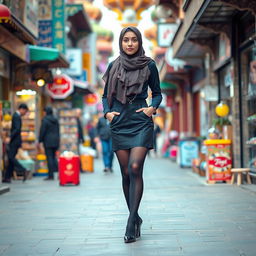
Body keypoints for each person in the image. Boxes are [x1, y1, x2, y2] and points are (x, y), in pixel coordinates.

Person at [102, 26, 162, 243]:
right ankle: (136, 217)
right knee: (126, 174)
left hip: (140, 120)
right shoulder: (113, 66)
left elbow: (157, 93)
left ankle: (130, 222)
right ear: (121, 42)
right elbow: (104, 96)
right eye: (126, 40)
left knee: (135, 167)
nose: (129, 44)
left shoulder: (149, 65)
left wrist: (151, 108)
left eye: (133, 40)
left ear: (139, 42)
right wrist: (107, 113)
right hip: (119, 122)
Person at [3, 103, 29, 183]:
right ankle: (7, 177)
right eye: (25, 111)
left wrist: (10, 137)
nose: (25, 113)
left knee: (11, 157)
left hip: (15, 141)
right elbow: (17, 129)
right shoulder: (16, 116)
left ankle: (23, 169)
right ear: (22, 109)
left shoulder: (16, 116)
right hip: (15, 140)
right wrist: (10, 137)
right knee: (11, 159)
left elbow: (16, 129)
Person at [39, 106, 60, 180]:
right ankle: (59, 173)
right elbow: (58, 131)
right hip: (55, 141)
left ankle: (51, 175)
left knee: (49, 157)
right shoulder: (56, 120)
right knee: (54, 157)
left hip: (48, 141)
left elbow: (42, 131)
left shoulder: (45, 120)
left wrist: (40, 140)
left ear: (46, 112)